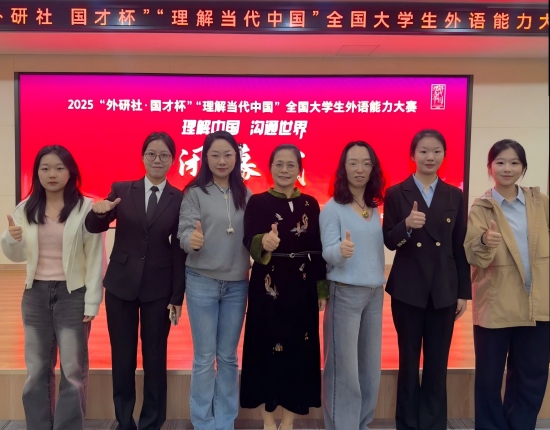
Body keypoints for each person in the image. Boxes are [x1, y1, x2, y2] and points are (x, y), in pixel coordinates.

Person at [85, 132, 186, 430]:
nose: (157, 159)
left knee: (155, 357)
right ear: (142, 157)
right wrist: (98, 213)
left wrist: (177, 295)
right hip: (121, 285)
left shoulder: (179, 198)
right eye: (151, 154)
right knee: (123, 356)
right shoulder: (121, 189)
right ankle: (124, 421)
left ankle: (152, 422)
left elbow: (179, 249)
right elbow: (94, 226)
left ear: (172, 160)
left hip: (159, 287)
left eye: (164, 155)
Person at [1, 145, 104, 430]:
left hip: (73, 295)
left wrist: (93, 300)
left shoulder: (85, 208)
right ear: (37, 173)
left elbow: (96, 257)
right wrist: (12, 239)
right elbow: (17, 255)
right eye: (45, 168)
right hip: (35, 294)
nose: (52, 174)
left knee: (73, 371)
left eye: (59, 168)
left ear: (71, 172)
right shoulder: (25, 208)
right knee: (36, 369)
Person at [382, 129, 471, 430]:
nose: (430, 157)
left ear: (444, 155)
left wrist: (463, 292)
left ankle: (433, 425)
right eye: (423, 151)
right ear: (413, 155)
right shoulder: (397, 193)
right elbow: (389, 241)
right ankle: (407, 424)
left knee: (437, 365)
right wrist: (406, 226)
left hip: (444, 290)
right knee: (408, 363)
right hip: (408, 290)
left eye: (436, 151)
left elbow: (459, 245)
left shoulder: (454, 194)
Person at [240, 144, 327, 430]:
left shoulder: (311, 204)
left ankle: (288, 421)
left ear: (299, 170)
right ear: (270, 168)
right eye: (279, 164)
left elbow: (316, 248)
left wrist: (321, 289)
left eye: (291, 165)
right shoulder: (258, 202)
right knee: (264, 347)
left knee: (299, 350)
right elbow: (248, 239)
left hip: (302, 287)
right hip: (268, 287)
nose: (285, 170)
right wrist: (263, 242)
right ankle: (267, 421)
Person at [464, 139, 549, 430]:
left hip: (536, 304)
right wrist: (484, 241)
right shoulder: (481, 207)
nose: (507, 168)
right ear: (490, 167)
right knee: (489, 378)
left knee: (531, 376)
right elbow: (473, 255)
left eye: (514, 163)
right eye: (500, 162)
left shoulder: (540, 203)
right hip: (496, 302)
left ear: (523, 167)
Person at [177, 130, 250, 430]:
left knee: (228, 357)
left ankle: (225, 421)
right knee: (205, 357)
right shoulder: (194, 193)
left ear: (236, 158)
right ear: (205, 158)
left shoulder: (246, 194)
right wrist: (190, 240)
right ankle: (203, 421)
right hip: (201, 281)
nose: (222, 161)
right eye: (215, 155)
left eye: (228, 155)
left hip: (237, 284)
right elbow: (184, 230)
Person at [319, 141, 386, 430]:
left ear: (373, 169)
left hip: (374, 293)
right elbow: (327, 252)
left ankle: (362, 424)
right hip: (344, 292)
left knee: (370, 367)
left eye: (366, 163)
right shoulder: (333, 208)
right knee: (343, 369)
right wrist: (341, 251)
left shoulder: (372, 206)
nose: (360, 169)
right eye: (353, 163)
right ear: (343, 168)